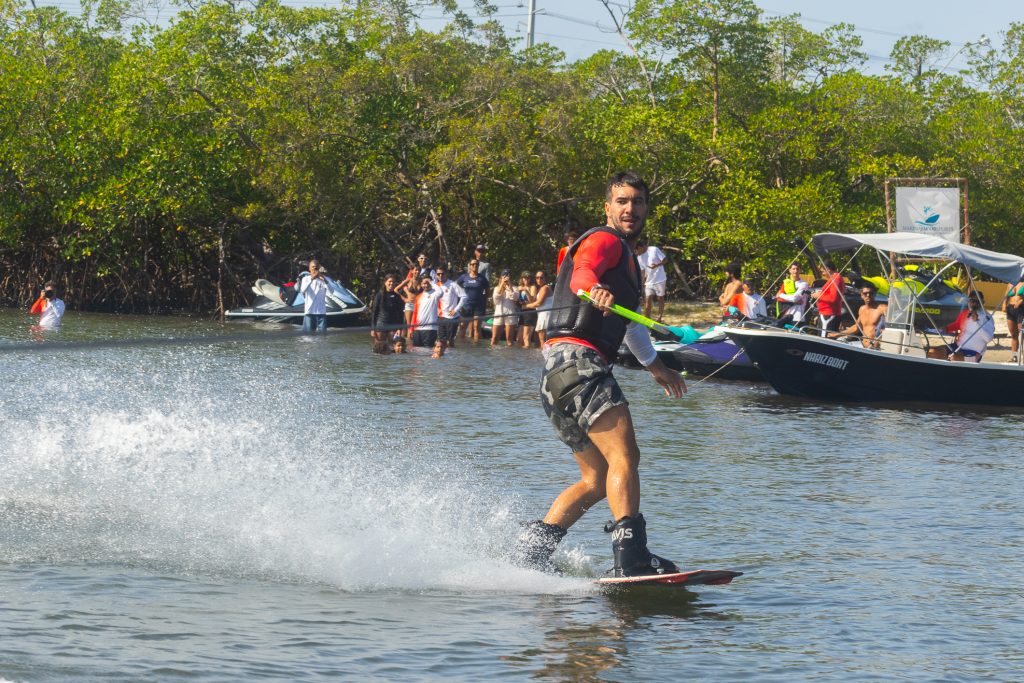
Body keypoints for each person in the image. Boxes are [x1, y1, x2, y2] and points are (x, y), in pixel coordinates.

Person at [515, 171, 686, 578]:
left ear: (647, 207)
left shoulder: (630, 264)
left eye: (638, 202)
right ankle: (632, 557)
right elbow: (582, 273)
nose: (630, 209)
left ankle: (532, 552)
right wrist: (594, 290)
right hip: (580, 362)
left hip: (555, 377)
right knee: (625, 457)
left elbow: (632, 327)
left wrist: (657, 368)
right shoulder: (604, 240)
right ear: (607, 207)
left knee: (597, 477)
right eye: (622, 201)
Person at [935, 293, 994, 362]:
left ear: (982, 302)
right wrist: (945, 328)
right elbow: (957, 325)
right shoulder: (965, 313)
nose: (973, 303)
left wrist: (976, 323)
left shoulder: (987, 317)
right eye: (971, 300)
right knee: (933, 352)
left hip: (974, 352)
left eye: (976, 301)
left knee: (954, 358)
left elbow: (988, 338)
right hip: (958, 346)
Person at [833, 284, 887, 348]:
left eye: (871, 293)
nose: (868, 295)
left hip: (875, 348)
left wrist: (884, 331)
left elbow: (893, 324)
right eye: (865, 293)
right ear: (861, 295)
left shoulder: (882, 308)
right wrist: (837, 334)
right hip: (863, 345)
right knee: (839, 342)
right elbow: (856, 328)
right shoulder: (862, 309)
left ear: (875, 294)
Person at [433, 265, 467, 348]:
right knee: (441, 342)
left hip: (451, 317)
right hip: (440, 317)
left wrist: (456, 310)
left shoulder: (452, 284)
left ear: (446, 274)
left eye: (442, 274)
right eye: (438, 274)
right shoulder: (435, 286)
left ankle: (452, 359)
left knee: (450, 342)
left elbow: (464, 296)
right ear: (436, 275)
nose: (440, 276)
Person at [456, 259, 489, 341]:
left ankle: (476, 350)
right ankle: (462, 350)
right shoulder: (464, 277)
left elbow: (488, 291)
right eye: (473, 264)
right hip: (466, 306)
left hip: (478, 306)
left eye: (477, 264)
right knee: (463, 327)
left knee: (476, 327)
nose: (475, 266)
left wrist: (483, 300)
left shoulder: (482, 278)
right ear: (470, 266)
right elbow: (455, 287)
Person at [635, 240, 668, 321]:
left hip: (660, 279)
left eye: (636, 250)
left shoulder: (654, 249)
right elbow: (643, 272)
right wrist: (642, 284)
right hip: (649, 282)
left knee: (660, 298)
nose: (635, 252)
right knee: (648, 299)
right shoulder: (639, 257)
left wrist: (657, 265)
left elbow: (665, 260)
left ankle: (659, 318)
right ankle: (647, 319)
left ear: (640, 247)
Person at [812, 260, 845, 335]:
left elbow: (833, 298)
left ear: (828, 269)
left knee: (823, 339)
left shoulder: (836, 278)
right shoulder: (833, 278)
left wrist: (818, 295)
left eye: (822, 271)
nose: (823, 274)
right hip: (825, 313)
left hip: (829, 314)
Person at [409, 274, 443, 348]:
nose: (426, 285)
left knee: (427, 352)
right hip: (417, 329)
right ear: (421, 284)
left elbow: (441, 292)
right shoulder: (418, 296)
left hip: (430, 329)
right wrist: (411, 329)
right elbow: (415, 313)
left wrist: (432, 282)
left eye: (428, 283)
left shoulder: (435, 294)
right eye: (424, 283)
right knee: (416, 352)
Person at [369, 273, 406, 341]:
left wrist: (399, 329)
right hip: (381, 324)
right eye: (389, 281)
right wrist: (373, 328)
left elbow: (401, 314)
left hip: (393, 326)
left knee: (393, 348)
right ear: (385, 282)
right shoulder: (379, 295)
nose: (391, 283)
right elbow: (374, 312)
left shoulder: (397, 297)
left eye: (393, 282)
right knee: (379, 348)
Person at [297, 260, 329, 333]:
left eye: (316, 268)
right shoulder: (306, 279)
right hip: (309, 312)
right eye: (313, 268)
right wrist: (312, 279)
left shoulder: (323, 280)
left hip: (321, 313)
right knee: (308, 337)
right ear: (309, 268)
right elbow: (302, 290)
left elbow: (332, 291)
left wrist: (325, 280)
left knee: (323, 337)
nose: (314, 270)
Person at [491, 269, 519, 348]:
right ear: (501, 277)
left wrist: (509, 286)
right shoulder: (496, 288)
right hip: (498, 314)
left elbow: (515, 298)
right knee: (494, 339)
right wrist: (502, 284)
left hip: (510, 315)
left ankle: (509, 357)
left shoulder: (514, 288)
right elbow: (495, 300)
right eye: (504, 276)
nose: (506, 278)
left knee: (509, 340)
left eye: (508, 276)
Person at [524, 270, 553, 345]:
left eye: (541, 277)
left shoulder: (545, 288)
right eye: (537, 278)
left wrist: (526, 306)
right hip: (542, 315)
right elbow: (535, 301)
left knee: (543, 341)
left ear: (545, 278)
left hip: (545, 316)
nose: (539, 279)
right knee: (541, 341)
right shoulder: (541, 288)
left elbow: (539, 303)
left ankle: (544, 356)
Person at [1003, 278, 1024, 363]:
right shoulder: (1010, 283)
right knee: (1014, 335)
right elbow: (1006, 295)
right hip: (1011, 309)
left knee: (1022, 335)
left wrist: (1022, 300)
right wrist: (1004, 304)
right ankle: (1014, 357)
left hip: (1022, 309)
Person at [516, 271, 537, 348]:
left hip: (530, 312)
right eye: (525, 277)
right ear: (522, 279)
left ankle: (527, 358)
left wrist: (526, 291)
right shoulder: (519, 287)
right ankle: (519, 358)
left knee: (526, 338)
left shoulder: (532, 287)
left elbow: (532, 301)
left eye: (528, 277)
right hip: (522, 312)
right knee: (518, 338)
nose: (526, 279)